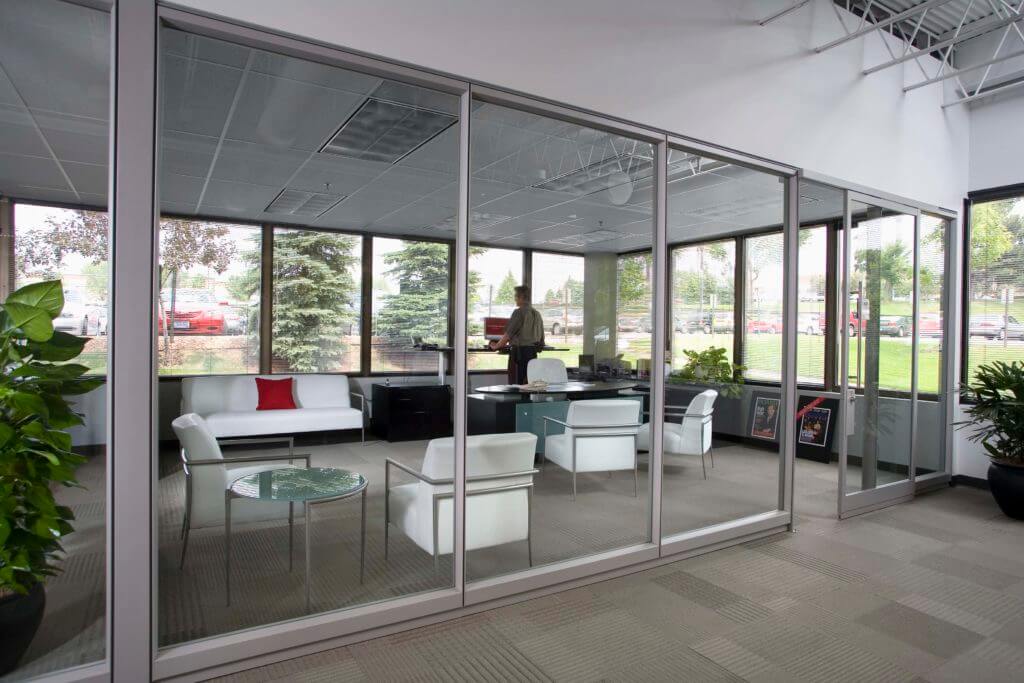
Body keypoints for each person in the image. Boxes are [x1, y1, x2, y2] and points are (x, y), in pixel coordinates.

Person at [489, 285, 545, 384]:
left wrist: (496, 346)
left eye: (516, 296)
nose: (515, 299)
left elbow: (508, 335)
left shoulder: (519, 312)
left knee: (516, 385)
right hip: (532, 355)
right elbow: (542, 340)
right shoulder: (537, 314)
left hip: (519, 355)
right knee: (529, 384)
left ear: (521, 297)